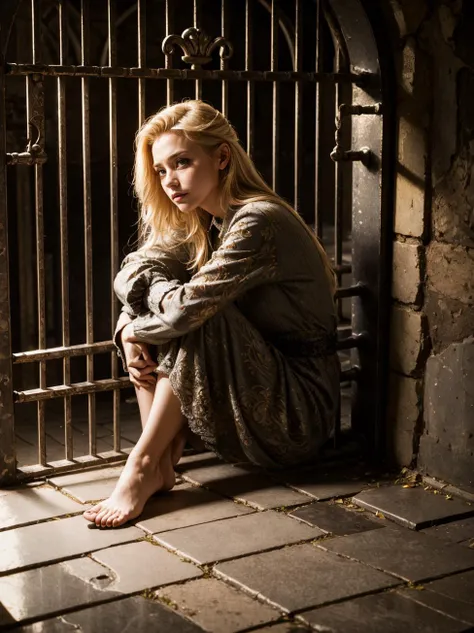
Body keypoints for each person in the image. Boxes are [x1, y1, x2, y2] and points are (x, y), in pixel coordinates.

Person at [83, 100, 340, 529]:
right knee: (158, 305)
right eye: (161, 170)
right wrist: (130, 325)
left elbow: (185, 311)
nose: (169, 181)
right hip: (256, 392)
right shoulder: (205, 221)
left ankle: (143, 462)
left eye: (182, 163)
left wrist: (139, 325)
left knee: (195, 313)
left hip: (298, 414)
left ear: (221, 157)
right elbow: (135, 270)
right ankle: (162, 461)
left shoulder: (259, 220)